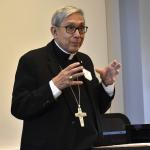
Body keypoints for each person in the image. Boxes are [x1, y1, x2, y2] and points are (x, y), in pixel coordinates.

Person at [11, 6, 121, 150]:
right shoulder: (32, 60)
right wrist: (54, 86)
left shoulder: (85, 61)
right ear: (54, 31)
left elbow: (98, 108)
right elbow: (19, 108)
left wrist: (106, 85)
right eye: (70, 28)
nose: (78, 34)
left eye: (81, 28)